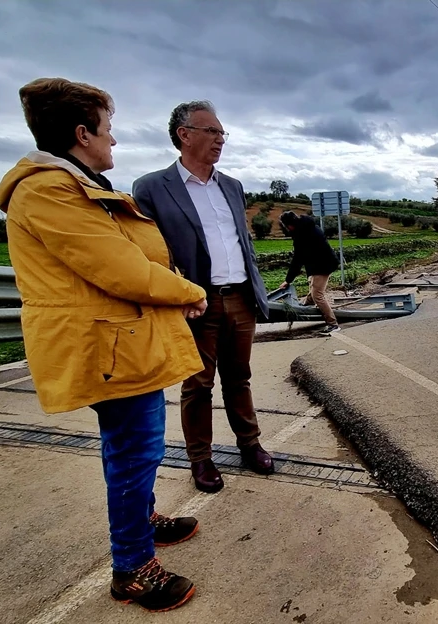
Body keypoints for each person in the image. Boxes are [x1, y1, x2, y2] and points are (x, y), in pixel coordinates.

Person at [0, 78, 207, 612]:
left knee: (135, 447)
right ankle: (132, 567)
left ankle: (143, 520)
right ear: (82, 132)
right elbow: (121, 268)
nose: (113, 141)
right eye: (108, 130)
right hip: (106, 345)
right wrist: (189, 292)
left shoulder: (76, 182)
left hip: (122, 340)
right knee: (135, 450)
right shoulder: (49, 189)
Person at [132, 101, 273, 494]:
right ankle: (201, 458)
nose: (220, 139)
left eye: (222, 133)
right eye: (212, 131)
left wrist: (254, 286)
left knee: (239, 377)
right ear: (185, 134)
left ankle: (250, 444)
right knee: (198, 384)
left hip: (240, 297)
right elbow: (151, 251)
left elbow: (241, 242)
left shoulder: (232, 185)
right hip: (196, 301)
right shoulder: (152, 188)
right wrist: (178, 293)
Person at [277, 210, 341, 335]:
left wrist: (288, 280)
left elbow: (297, 259)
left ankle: (333, 324)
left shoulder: (301, 234)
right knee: (313, 284)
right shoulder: (307, 226)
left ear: (289, 225)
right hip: (321, 263)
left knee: (318, 294)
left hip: (323, 265)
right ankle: (308, 302)